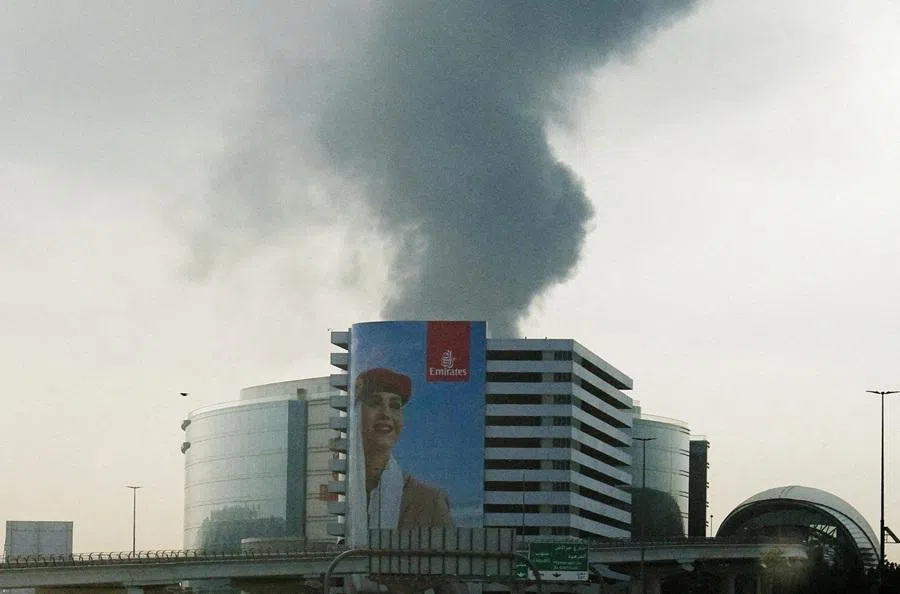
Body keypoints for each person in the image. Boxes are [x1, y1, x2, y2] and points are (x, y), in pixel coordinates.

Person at [353, 367, 453, 530]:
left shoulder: (430, 501)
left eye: (394, 405)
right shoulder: (346, 488)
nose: (386, 413)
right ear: (356, 413)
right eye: (374, 403)